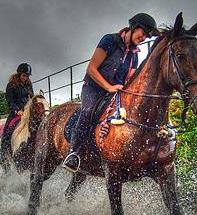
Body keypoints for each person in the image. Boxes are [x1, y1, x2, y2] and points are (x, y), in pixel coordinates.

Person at [62, 13, 158, 173]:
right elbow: (91, 69)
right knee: (87, 112)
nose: (144, 38)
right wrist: (108, 87)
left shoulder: (134, 54)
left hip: (114, 91)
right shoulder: (110, 41)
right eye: (143, 33)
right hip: (93, 87)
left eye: (147, 36)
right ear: (134, 26)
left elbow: (129, 78)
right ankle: (73, 153)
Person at [0, 62, 34, 163]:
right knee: (7, 131)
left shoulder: (28, 85)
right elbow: (10, 101)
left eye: (27, 76)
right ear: (19, 74)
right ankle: (4, 153)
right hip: (16, 113)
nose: (26, 78)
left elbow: (31, 99)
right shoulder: (11, 85)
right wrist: (17, 110)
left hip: (27, 112)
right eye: (24, 75)